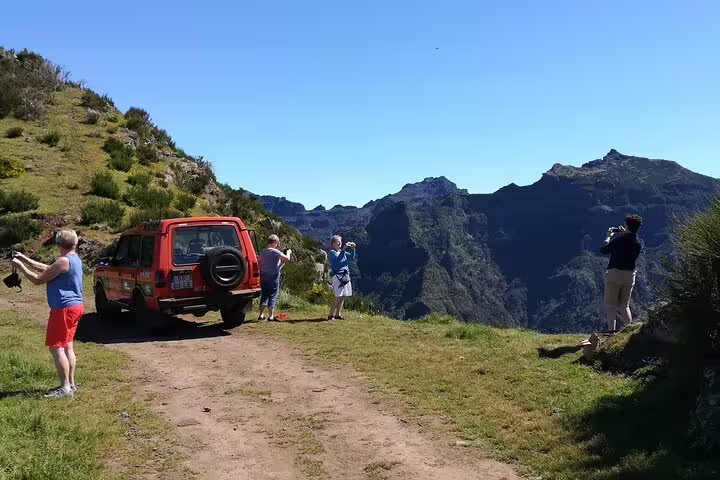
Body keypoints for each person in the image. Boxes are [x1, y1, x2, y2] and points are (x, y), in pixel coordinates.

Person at [11, 229, 84, 398]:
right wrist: (25, 259)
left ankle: (65, 387)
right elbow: (49, 269)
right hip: (76, 307)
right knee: (68, 346)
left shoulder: (63, 261)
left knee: (56, 347)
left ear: (59, 244)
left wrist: (21, 267)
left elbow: (38, 279)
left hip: (63, 309)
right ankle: (71, 384)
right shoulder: (74, 260)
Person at [600, 214, 643, 331]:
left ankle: (611, 333)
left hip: (614, 273)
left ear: (627, 226)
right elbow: (629, 243)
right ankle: (631, 331)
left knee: (611, 306)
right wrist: (626, 233)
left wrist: (608, 237)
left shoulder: (618, 240)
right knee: (624, 305)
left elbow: (604, 250)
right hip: (629, 275)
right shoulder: (638, 244)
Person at [258, 234, 291, 322]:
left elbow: (260, 263)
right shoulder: (275, 252)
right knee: (272, 295)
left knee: (264, 295)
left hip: (264, 276)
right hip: (273, 277)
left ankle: (261, 315)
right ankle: (271, 316)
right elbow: (287, 259)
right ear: (275, 242)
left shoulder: (263, 252)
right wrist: (288, 252)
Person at [328, 235, 356, 320]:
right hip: (338, 276)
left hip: (345, 275)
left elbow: (351, 257)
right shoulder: (332, 252)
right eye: (338, 241)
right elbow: (338, 260)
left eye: (340, 241)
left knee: (343, 295)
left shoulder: (341, 252)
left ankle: (338, 314)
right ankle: (330, 315)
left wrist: (353, 249)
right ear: (333, 244)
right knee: (338, 295)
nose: (340, 243)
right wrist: (343, 249)